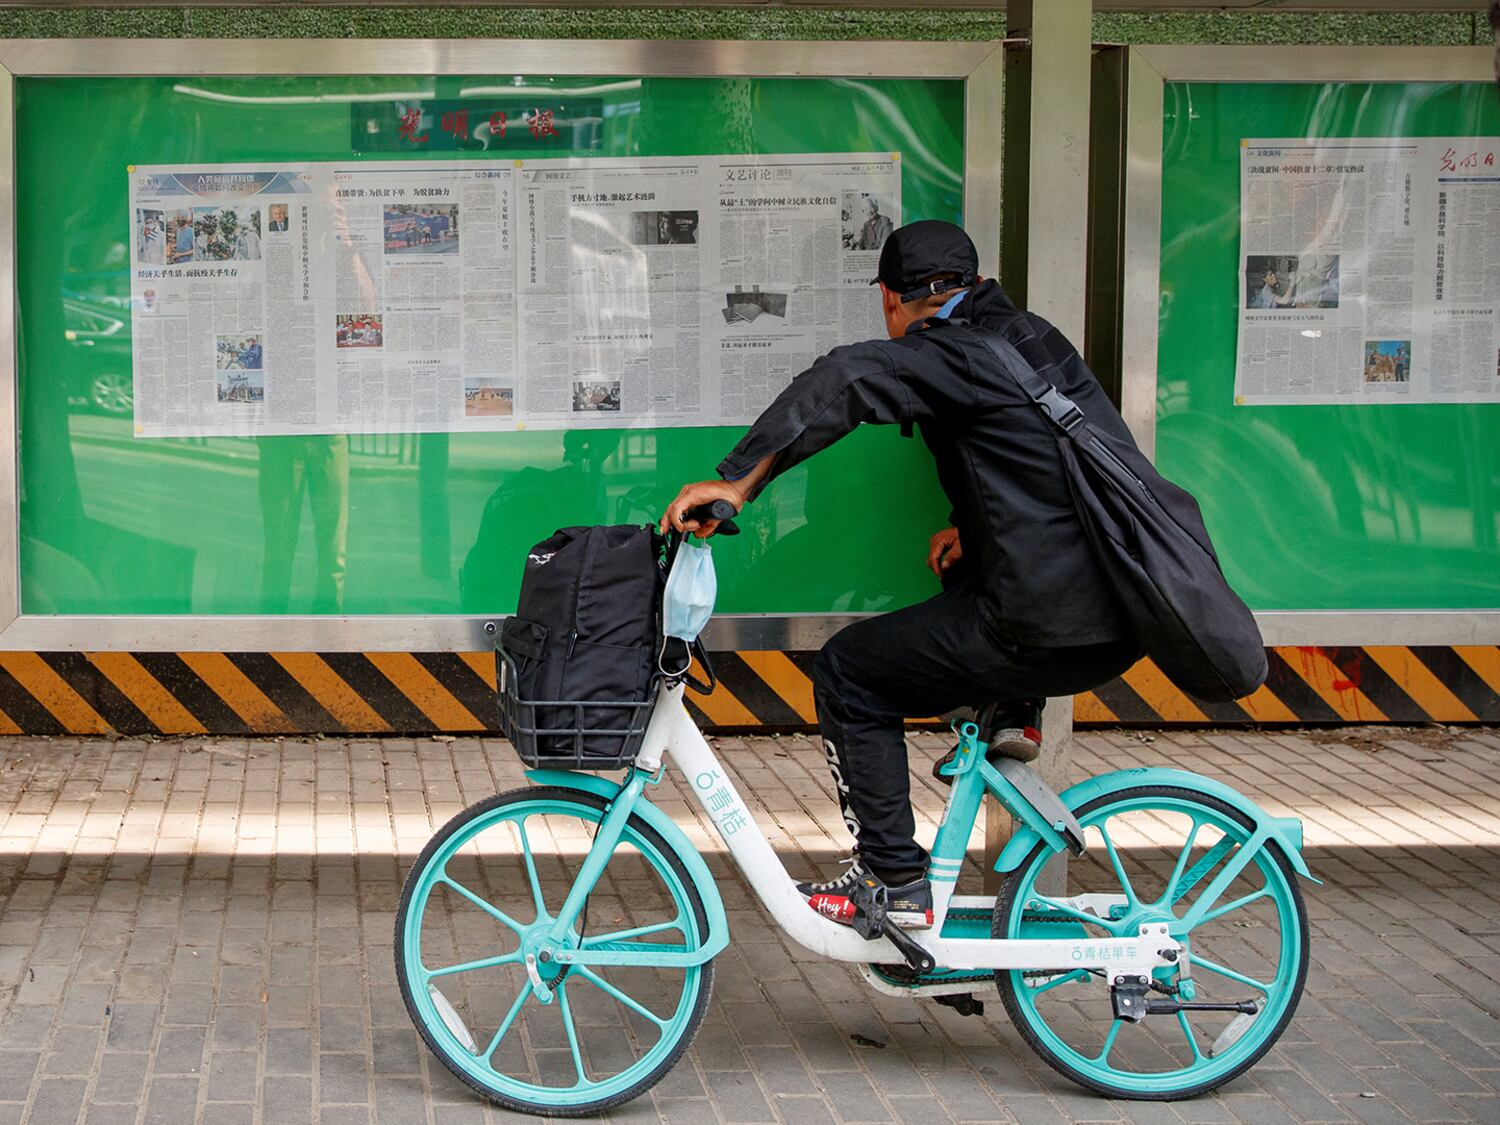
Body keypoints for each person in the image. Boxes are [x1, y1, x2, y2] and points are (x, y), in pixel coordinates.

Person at [661, 221, 1141, 930]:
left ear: (891, 299)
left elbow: (848, 377)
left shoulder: (955, 349)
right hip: (1111, 604)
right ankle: (1012, 711)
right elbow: (1042, 462)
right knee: (961, 570)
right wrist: (974, 531)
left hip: (1048, 623)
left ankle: (893, 878)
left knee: (851, 673)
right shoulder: (1027, 336)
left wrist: (739, 482)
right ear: (974, 282)